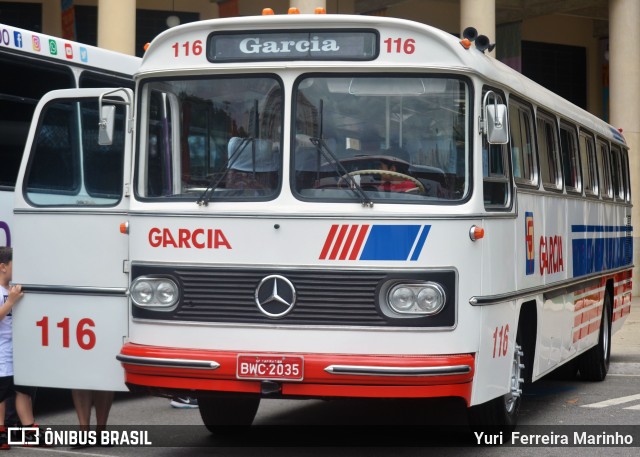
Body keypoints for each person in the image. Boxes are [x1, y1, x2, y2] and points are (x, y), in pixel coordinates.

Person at [0, 246, 39, 449]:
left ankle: (28, 430)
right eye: (15, 264)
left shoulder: (13, 288)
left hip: (19, 348)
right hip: (2, 349)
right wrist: (11, 302)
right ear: (3, 267)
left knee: (23, 389)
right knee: (2, 391)